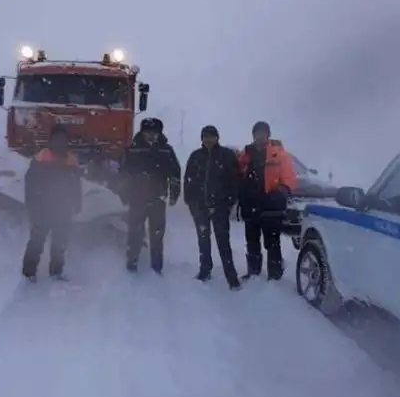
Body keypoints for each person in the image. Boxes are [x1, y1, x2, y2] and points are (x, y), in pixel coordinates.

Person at [237, 121, 298, 281]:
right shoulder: (246, 153)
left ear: (268, 135)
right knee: (252, 241)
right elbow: (237, 175)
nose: (260, 136)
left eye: (263, 132)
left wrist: (280, 193)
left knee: (272, 242)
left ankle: (275, 275)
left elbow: (290, 178)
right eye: (257, 133)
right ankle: (254, 271)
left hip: (271, 206)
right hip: (251, 205)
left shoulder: (279, 154)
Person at [119, 117, 181, 274]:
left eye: (155, 132)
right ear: (142, 132)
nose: (151, 136)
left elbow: (175, 173)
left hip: (158, 197)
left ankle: (157, 266)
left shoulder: (166, 150)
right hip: (137, 197)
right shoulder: (131, 149)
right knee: (135, 231)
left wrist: (174, 193)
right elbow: (123, 173)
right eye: (148, 132)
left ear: (160, 133)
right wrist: (124, 194)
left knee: (157, 233)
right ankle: (132, 263)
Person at [183, 125, 242, 290]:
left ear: (217, 138)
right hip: (200, 207)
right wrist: (190, 201)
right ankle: (205, 270)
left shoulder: (227, 156)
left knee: (223, 242)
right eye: (205, 137)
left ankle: (232, 277)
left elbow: (235, 181)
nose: (208, 139)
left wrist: (229, 201)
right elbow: (188, 180)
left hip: (220, 207)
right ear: (202, 139)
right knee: (203, 240)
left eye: (211, 136)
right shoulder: (195, 156)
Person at [21, 124, 82, 281]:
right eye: (58, 138)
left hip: (63, 207)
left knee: (59, 241)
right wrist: (32, 203)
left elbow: (76, 183)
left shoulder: (71, 159)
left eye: (63, 139)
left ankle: (56, 271)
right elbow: (30, 183)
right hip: (42, 206)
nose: (61, 142)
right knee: (37, 240)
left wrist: (77, 201)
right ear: (51, 140)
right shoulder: (42, 157)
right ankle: (29, 272)